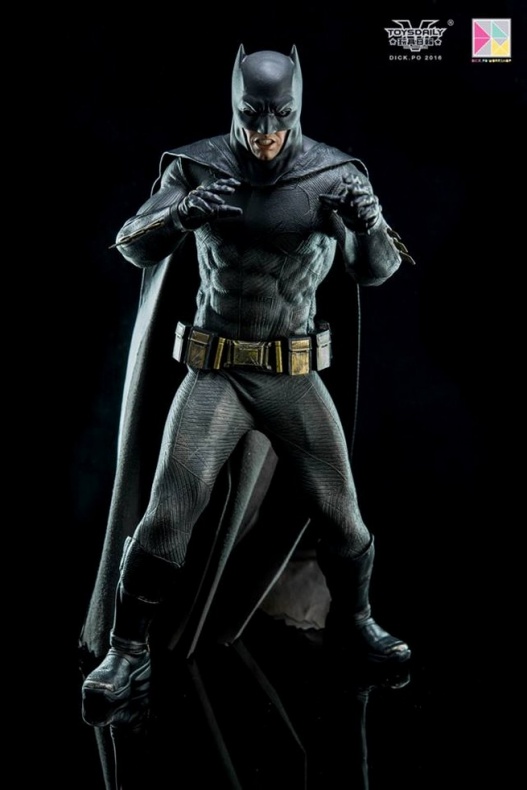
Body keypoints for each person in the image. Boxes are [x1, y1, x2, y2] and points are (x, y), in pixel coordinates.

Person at [81, 45, 414, 727]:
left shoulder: (334, 175)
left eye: (278, 116)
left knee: (341, 517)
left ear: (297, 107)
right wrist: (180, 215)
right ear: (234, 104)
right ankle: (126, 650)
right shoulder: (198, 166)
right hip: (218, 373)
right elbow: (130, 243)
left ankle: (355, 623)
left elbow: (374, 270)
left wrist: (368, 222)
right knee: (167, 518)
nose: (264, 131)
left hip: (292, 377)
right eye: (251, 116)